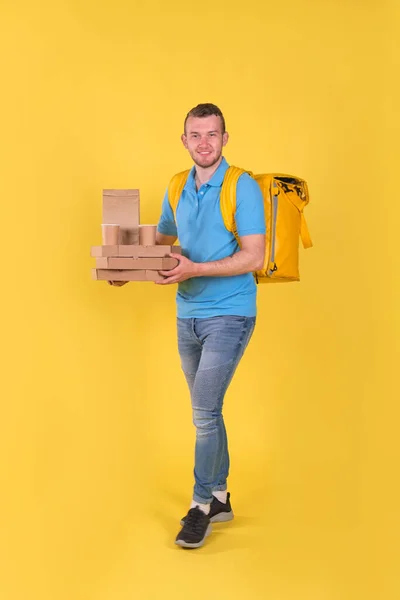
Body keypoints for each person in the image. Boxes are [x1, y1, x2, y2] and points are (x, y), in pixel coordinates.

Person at [155, 103, 266, 549]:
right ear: (184, 140)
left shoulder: (243, 187)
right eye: (195, 135)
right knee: (208, 412)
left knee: (202, 412)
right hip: (188, 315)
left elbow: (253, 256)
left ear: (225, 138)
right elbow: (161, 240)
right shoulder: (176, 185)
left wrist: (195, 269)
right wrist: (123, 266)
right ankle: (220, 496)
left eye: (212, 135)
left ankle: (200, 505)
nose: (204, 143)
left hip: (231, 312)